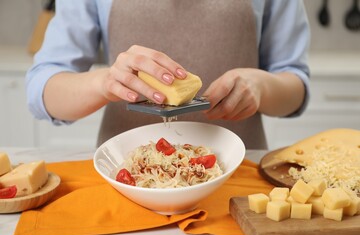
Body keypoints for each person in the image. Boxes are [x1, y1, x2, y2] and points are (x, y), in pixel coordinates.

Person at [26, 0, 311, 149]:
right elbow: (42, 90)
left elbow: (295, 86)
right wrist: (105, 82)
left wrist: (263, 86)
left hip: (236, 180)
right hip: (126, 176)